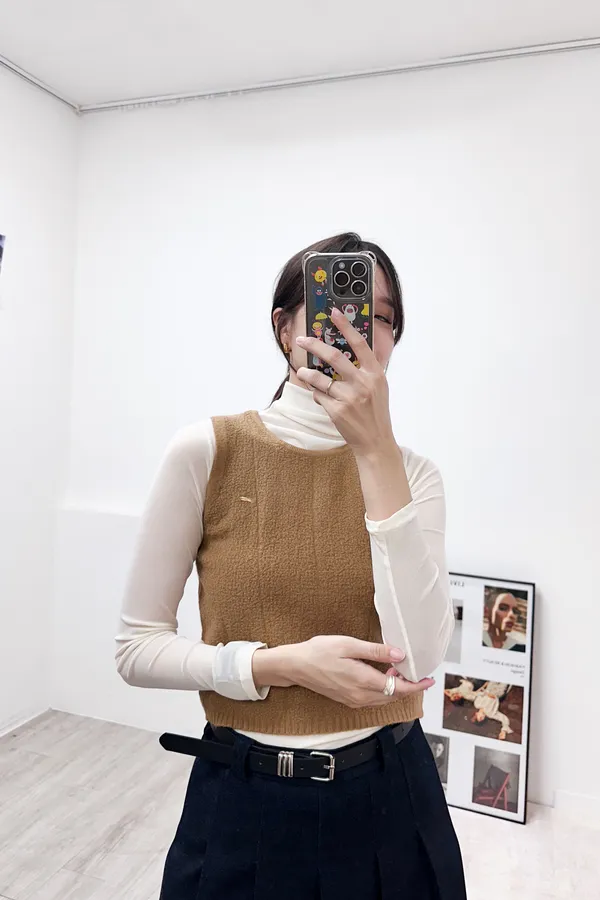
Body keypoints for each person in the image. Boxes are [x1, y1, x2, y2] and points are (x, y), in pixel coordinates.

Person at [115, 232, 467, 899]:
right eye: (337, 306)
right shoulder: (206, 451)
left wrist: (375, 452)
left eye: (381, 317)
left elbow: (419, 658)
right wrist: (281, 665)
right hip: (244, 796)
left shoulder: (414, 474)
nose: (358, 329)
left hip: (393, 795)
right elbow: (136, 650)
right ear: (285, 328)